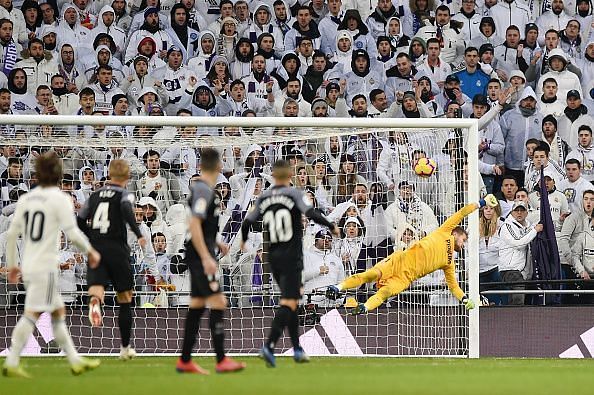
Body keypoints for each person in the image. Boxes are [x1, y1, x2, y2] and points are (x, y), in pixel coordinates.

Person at [3, 152, 100, 378]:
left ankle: (74, 360)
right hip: (46, 266)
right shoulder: (60, 199)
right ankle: (12, 360)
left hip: (29, 264)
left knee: (57, 311)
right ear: (57, 174)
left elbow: (10, 235)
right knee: (32, 314)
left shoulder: (26, 199)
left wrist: (12, 265)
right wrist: (91, 252)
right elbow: (73, 233)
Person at [326, 195, 500, 314]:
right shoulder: (445, 230)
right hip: (400, 260)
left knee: (385, 293)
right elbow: (462, 213)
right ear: (456, 234)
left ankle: (364, 308)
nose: (463, 244)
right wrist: (482, 202)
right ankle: (337, 287)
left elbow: (453, 286)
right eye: (463, 239)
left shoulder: (449, 262)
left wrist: (464, 299)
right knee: (371, 274)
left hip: (406, 278)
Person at [240, 159, 340, 367]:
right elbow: (311, 213)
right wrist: (330, 225)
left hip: (273, 256)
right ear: (290, 176)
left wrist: (242, 239)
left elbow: (248, 221)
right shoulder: (294, 194)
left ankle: (296, 349)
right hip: (291, 256)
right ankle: (268, 345)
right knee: (289, 302)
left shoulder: (265, 196)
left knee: (293, 300)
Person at [176, 148, 245, 374]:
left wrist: (217, 242)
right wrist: (206, 256)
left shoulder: (202, 190)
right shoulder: (204, 191)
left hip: (200, 250)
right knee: (218, 302)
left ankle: (185, 360)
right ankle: (221, 360)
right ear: (218, 166)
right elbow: (194, 224)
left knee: (197, 305)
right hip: (199, 254)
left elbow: (201, 225)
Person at [76, 159, 145, 360]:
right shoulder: (124, 194)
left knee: (97, 287)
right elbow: (125, 210)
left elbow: (79, 219)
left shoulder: (94, 195)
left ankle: (95, 302)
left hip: (96, 248)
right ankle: (125, 348)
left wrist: (93, 236)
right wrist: (138, 233)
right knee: (125, 299)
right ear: (127, 176)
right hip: (117, 248)